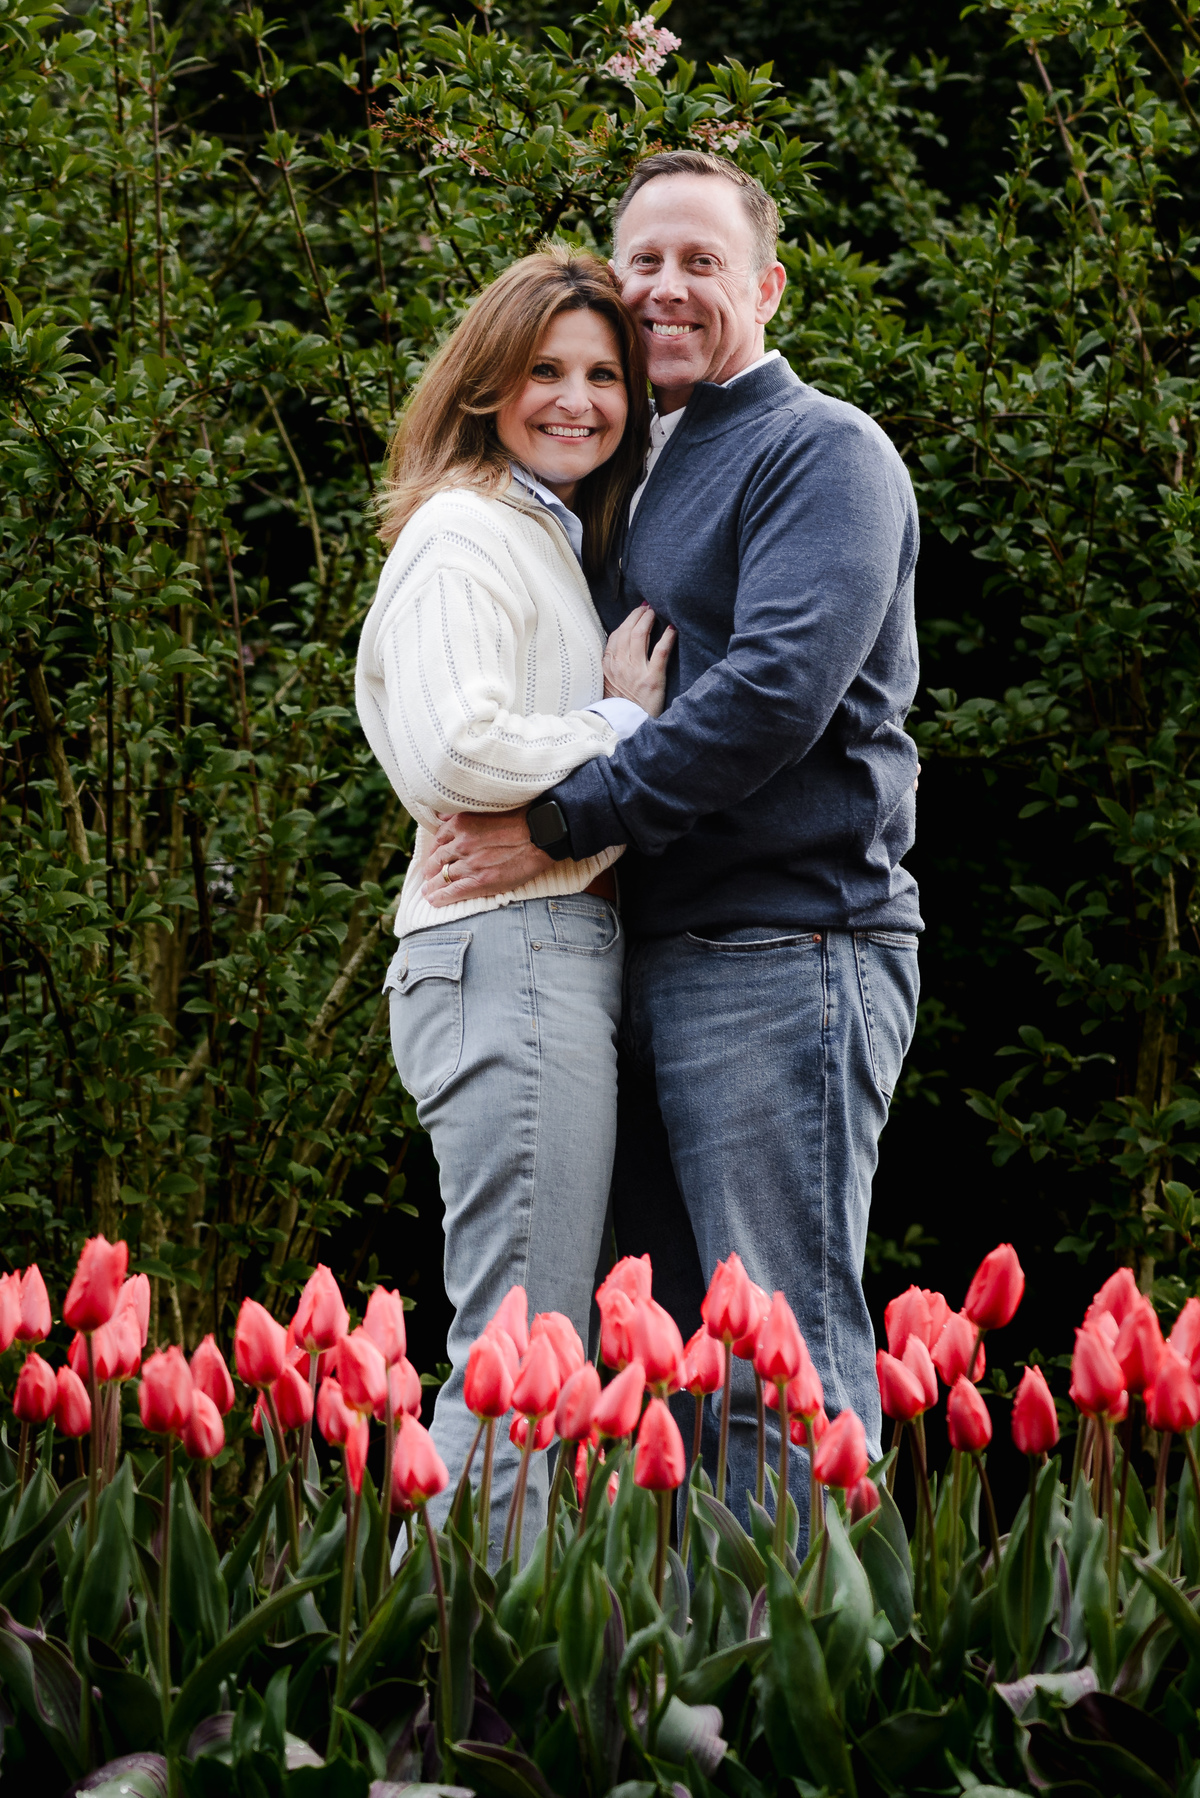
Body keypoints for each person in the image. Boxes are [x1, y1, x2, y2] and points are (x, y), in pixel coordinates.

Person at [421, 151, 922, 1541]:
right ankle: (691, 1710)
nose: (665, 289)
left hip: (788, 947)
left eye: (702, 262)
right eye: (644, 259)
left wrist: (564, 818)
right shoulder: (643, 471)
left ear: (765, 286)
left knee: (781, 1356)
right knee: (675, 1371)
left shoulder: (824, 452)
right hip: (652, 956)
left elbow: (771, 694)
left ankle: (810, 1719)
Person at [355, 247, 672, 1561]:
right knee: (519, 1346)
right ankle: (451, 1716)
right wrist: (617, 719)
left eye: (604, 375)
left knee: (543, 1341)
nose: (578, 399)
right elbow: (453, 748)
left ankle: (463, 1684)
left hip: (538, 949)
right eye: (546, 369)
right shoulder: (464, 528)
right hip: (505, 949)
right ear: (488, 384)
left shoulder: (548, 536)